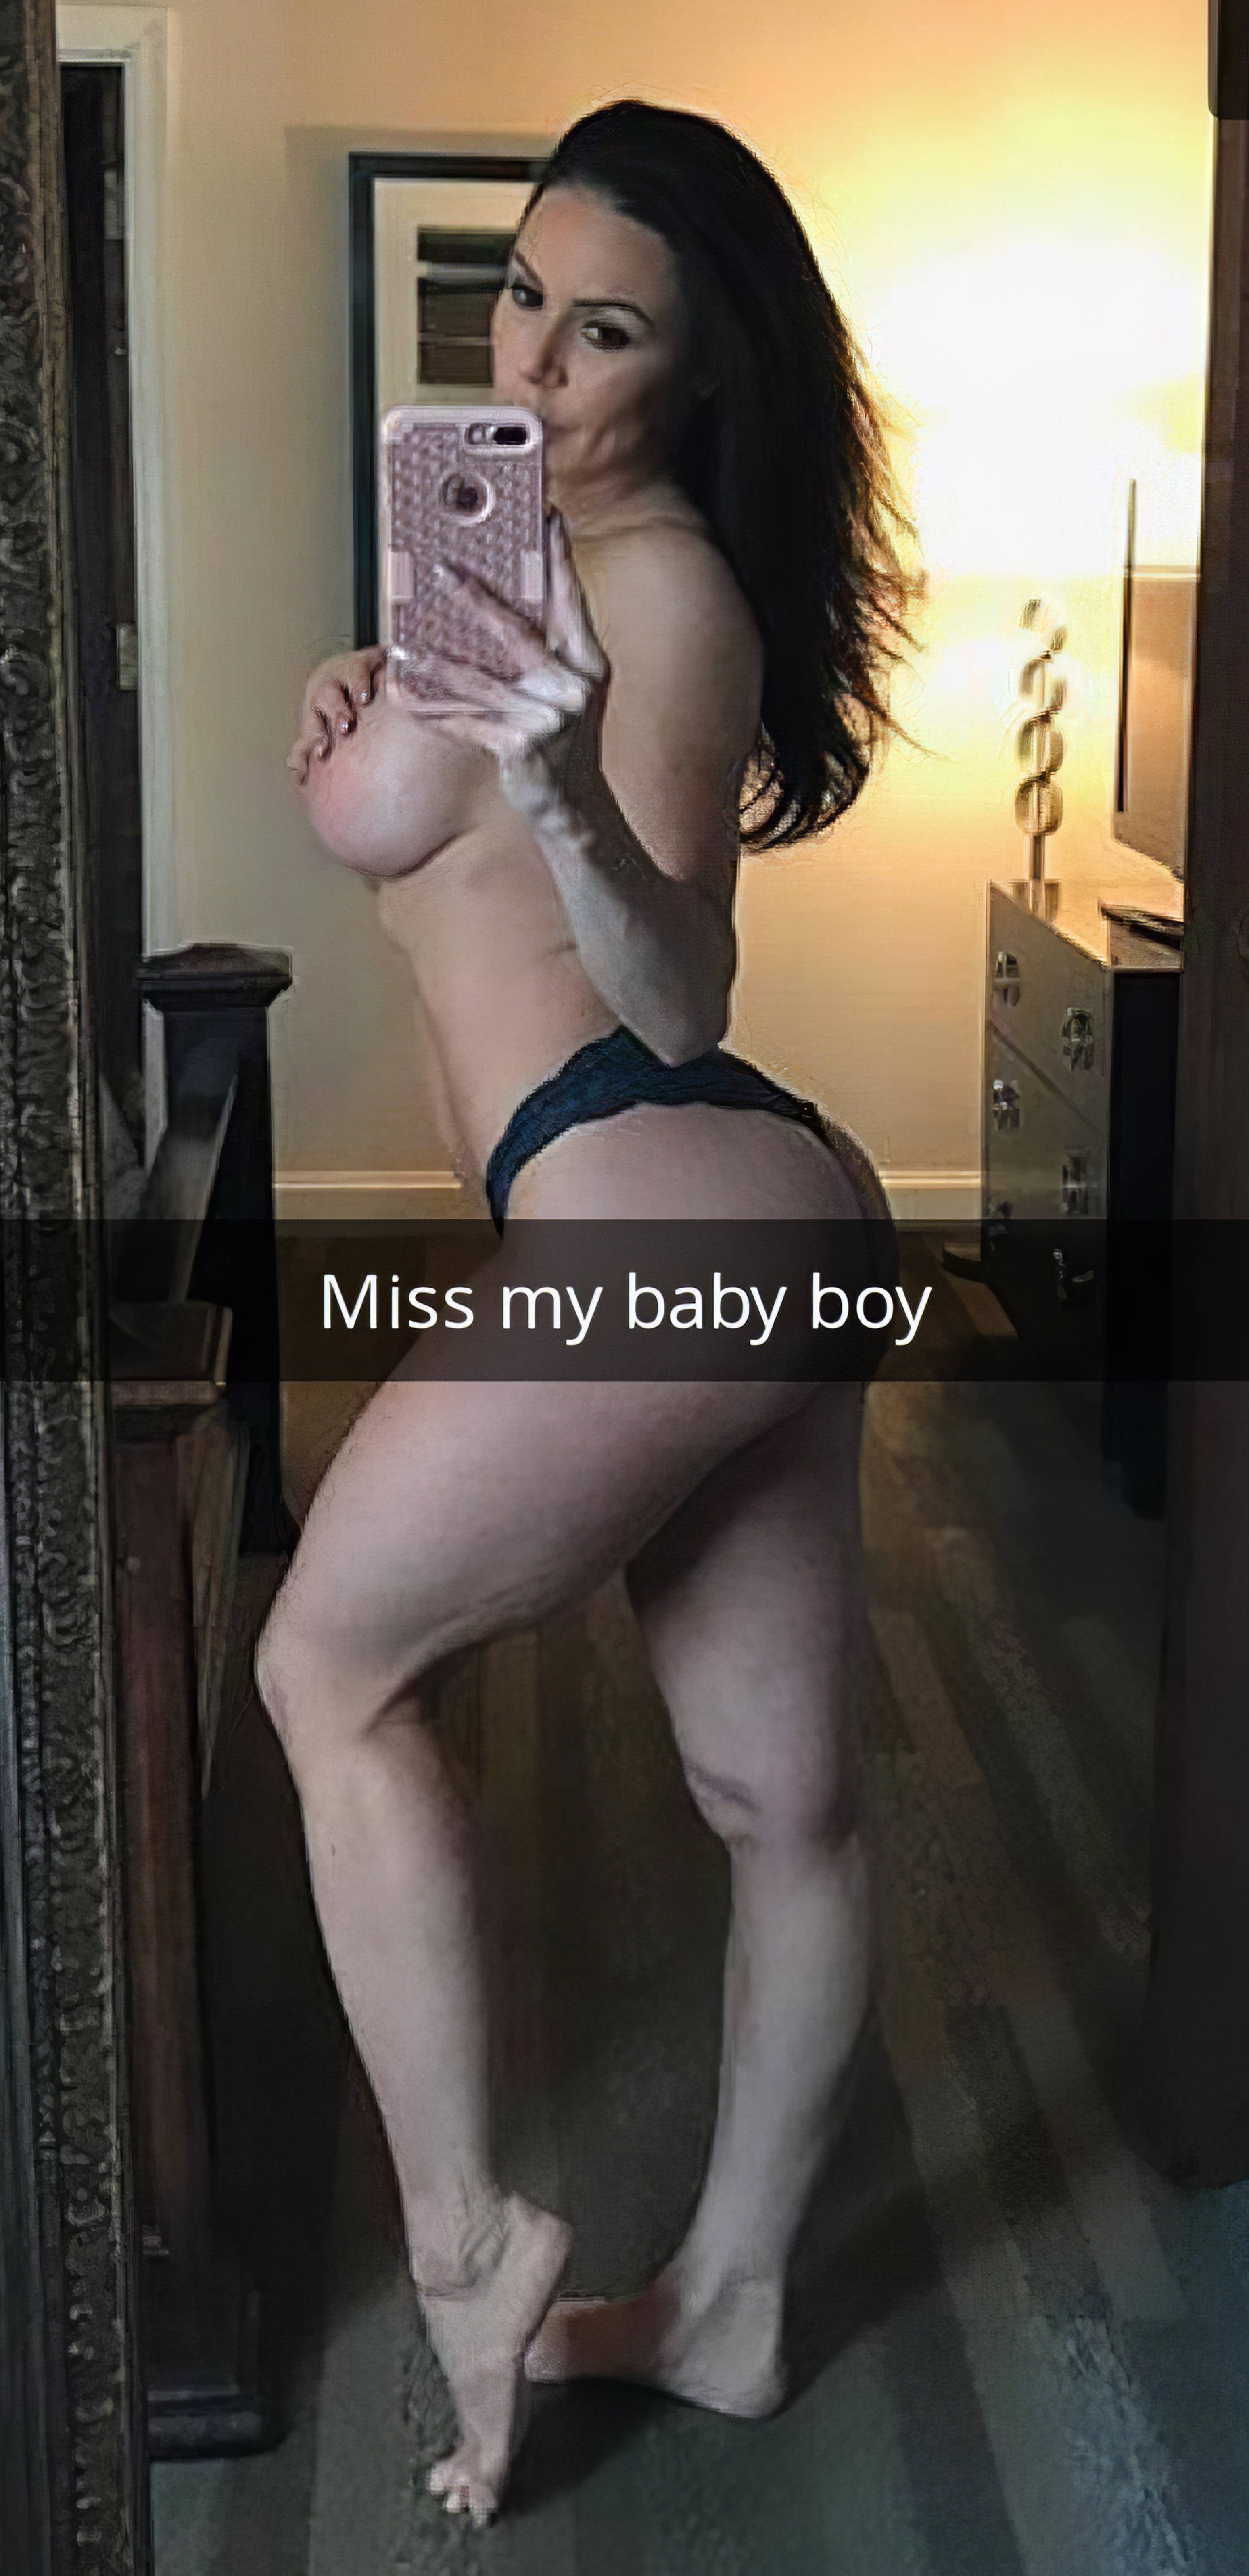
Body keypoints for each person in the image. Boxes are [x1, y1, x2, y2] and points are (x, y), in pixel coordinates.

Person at [261, 99, 924, 2530]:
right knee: (778, 1798)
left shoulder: (661, 596)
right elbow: (451, 887)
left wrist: (548, 788)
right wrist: (385, 721)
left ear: (699, 369)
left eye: (605, 328)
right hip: (731, 1213)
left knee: (327, 1666)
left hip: (662, 1185)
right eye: (520, 297)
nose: (533, 360)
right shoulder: (512, 565)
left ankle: (465, 2237)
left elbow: (669, 989)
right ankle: (729, 2308)